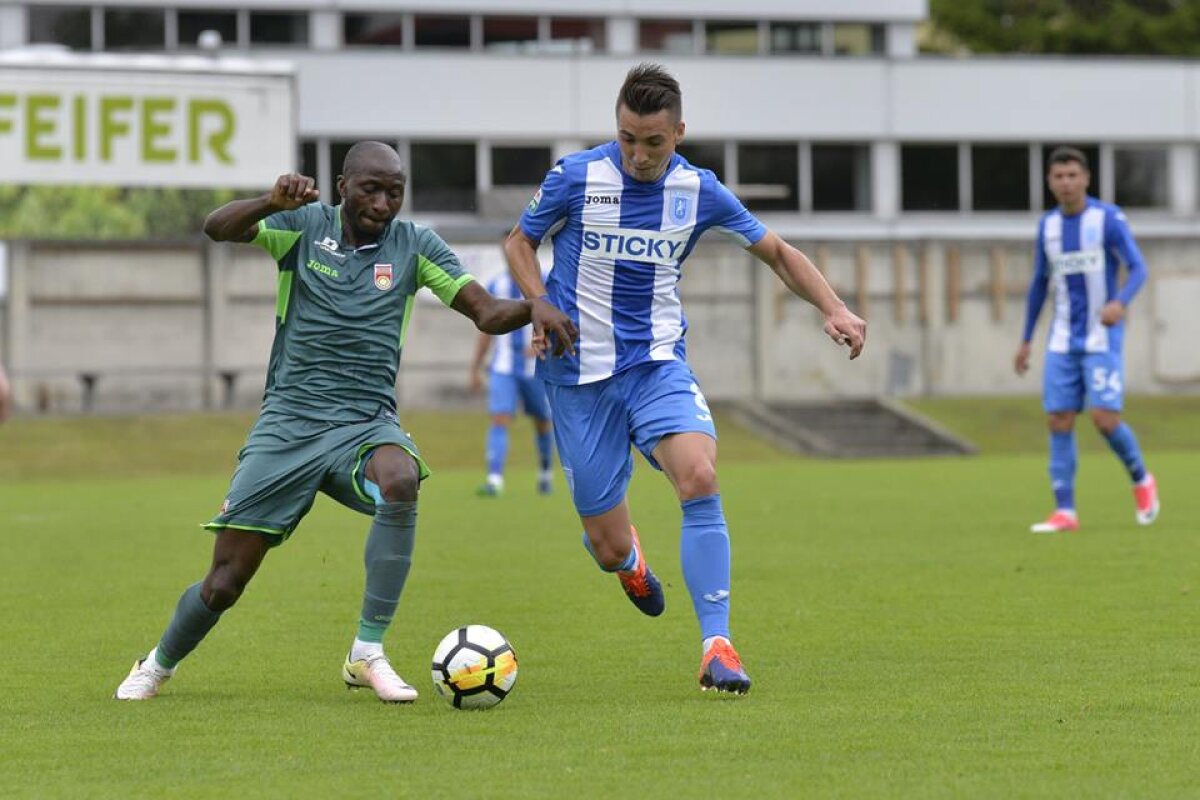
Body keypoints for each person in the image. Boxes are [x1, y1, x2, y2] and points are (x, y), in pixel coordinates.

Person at [114, 141, 576, 702]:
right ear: (343, 187)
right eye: (371, 190)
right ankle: (158, 664)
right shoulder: (302, 226)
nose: (384, 203)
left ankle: (367, 652)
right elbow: (216, 228)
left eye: (395, 192)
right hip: (288, 423)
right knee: (224, 583)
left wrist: (538, 303)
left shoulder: (415, 246)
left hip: (365, 422)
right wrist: (268, 201)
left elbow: (487, 312)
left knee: (401, 479)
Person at [503, 63, 866, 694]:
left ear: (679, 135)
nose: (638, 155)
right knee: (607, 546)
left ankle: (717, 645)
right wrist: (539, 301)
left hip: (656, 365)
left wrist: (833, 307)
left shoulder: (699, 192)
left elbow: (777, 252)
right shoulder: (575, 176)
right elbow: (517, 243)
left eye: (654, 143)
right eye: (627, 139)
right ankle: (630, 560)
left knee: (699, 475)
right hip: (577, 376)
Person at [1015, 146, 1159, 534]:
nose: (1066, 182)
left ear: (1086, 179)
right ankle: (1066, 511)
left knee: (1104, 419)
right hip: (1062, 338)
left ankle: (1142, 479)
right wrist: (1026, 339)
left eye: (1072, 175)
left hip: (1101, 336)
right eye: (1058, 176)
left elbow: (1139, 267)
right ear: (1050, 181)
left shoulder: (1107, 219)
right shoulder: (1048, 227)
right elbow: (1039, 285)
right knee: (1059, 418)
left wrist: (1120, 301)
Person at [469, 267, 555, 497]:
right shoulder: (496, 285)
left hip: (535, 368)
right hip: (503, 367)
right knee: (499, 418)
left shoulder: (545, 282)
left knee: (543, 422)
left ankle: (545, 472)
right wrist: (476, 367)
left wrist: (545, 340)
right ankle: (494, 479)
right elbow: (486, 327)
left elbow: (558, 317)